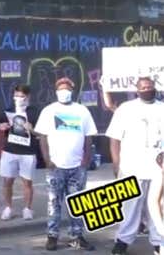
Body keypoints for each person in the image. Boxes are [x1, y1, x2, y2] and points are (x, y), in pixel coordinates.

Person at [106, 77, 164, 255]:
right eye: (144, 87)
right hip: (132, 166)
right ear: (137, 90)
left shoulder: (163, 108)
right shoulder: (126, 109)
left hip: (158, 169)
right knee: (130, 206)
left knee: (157, 207)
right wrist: (116, 163)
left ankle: (159, 241)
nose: (147, 89)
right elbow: (114, 138)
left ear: (155, 88)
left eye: (150, 87)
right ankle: (123, 240)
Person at [36, 77, 97, 251]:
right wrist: (47, 159)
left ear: (72, 90)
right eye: (61, 89)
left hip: (77, 166)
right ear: (56, 92)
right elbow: (43, 137)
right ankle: (52, 236)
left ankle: (77, 235)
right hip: (56, 166)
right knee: (53, 203)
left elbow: (88, 137)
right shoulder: (49, 111)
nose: (64, 92)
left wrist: (86, 160)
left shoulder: (82, 111)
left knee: (77, 203)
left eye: (67, 88)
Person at [0, 83, 40, 221]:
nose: (18, 98)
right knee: (7, 181)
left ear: (28, 97)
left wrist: (31, 129)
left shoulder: (34, 111)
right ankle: (8, 208)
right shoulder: (8, 110)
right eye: (16, 95)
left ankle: (27, 208)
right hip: (10, 150)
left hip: (28, 151)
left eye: (22, 96)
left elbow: (41, 133)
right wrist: (1, 126)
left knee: (27, 182)